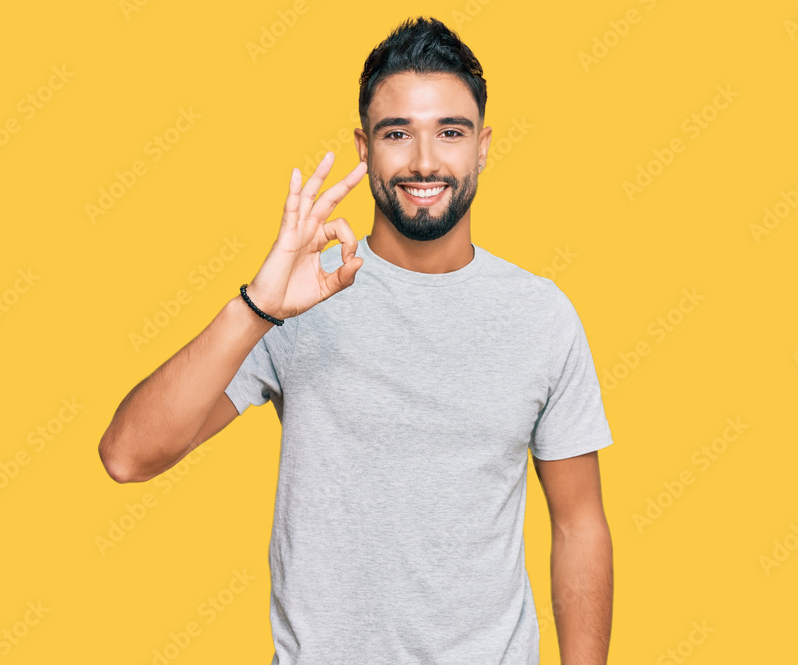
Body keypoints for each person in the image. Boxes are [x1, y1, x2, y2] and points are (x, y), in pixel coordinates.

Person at [98, 16, 614, 665]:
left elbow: (578, 522)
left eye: (449, 132)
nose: (424, 160)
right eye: (397, 133)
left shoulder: (542, 316)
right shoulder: (299, 298)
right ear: (364, 148)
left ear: (481, 145)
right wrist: (256, 307)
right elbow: (128, 455)